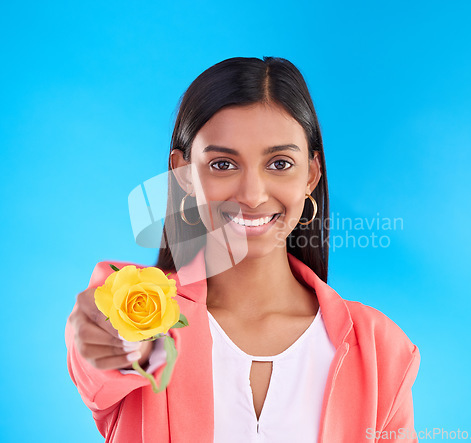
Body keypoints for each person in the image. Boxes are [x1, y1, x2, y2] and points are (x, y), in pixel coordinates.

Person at [65, 56, 420, 442]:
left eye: (280, 163)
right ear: (182, 174)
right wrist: (110, 338)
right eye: (222, 164)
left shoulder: (379, 348)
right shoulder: (136, 309)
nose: (252, 195)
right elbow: (99, 356)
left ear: (311, 174)